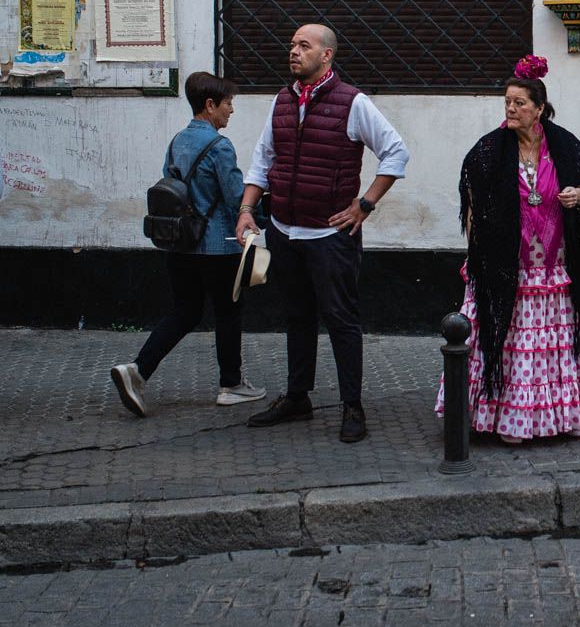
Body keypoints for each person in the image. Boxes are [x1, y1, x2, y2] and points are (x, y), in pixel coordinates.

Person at [234, 24, 409, 444]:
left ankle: (352, 405)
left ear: (326, 55)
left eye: (303, 46)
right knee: (297, 316)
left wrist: (363, 206)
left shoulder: (353, 102)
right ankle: (298, 397)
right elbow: (262, 160)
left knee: (341, 319)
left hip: (329, 235)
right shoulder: (281, 101)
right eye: (292, 44)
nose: (293, 51)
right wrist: (245, 209)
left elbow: (396, 151)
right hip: (283, 228)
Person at [436, 54, 580, 442]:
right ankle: (510, 418)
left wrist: (579, 194)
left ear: (539, 109)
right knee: (514, 344)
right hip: (506, 268)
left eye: (519, 103)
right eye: (507, 102)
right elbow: (472, 198)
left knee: (557, 344)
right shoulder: (489, 149)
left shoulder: (564, 144)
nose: (511, 109)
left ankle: (565, 414)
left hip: (555, 266)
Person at [111, 72, 264, 417]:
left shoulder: (178, 141)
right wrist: (261, 212)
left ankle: (137, 370)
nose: (232, 111)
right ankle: (231, 385)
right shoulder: (220, 146)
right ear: (210, 105)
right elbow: (236, 198)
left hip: (180, 245)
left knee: (184, 312)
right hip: (218, 247)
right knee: (228, 312)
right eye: (228, 104)